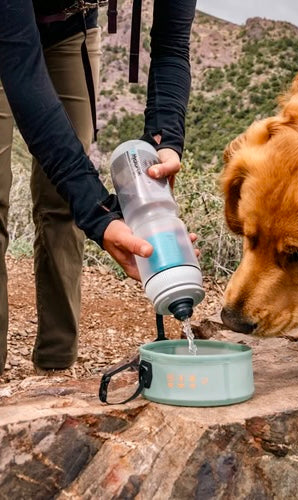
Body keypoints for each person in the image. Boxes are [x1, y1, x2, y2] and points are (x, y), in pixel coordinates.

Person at [0, 0, 197, 374]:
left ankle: (56, 367)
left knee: (63, 201)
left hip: (68, 25)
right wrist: (98, 212)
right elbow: (21, 70)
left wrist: (165, 138)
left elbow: (172, 44)